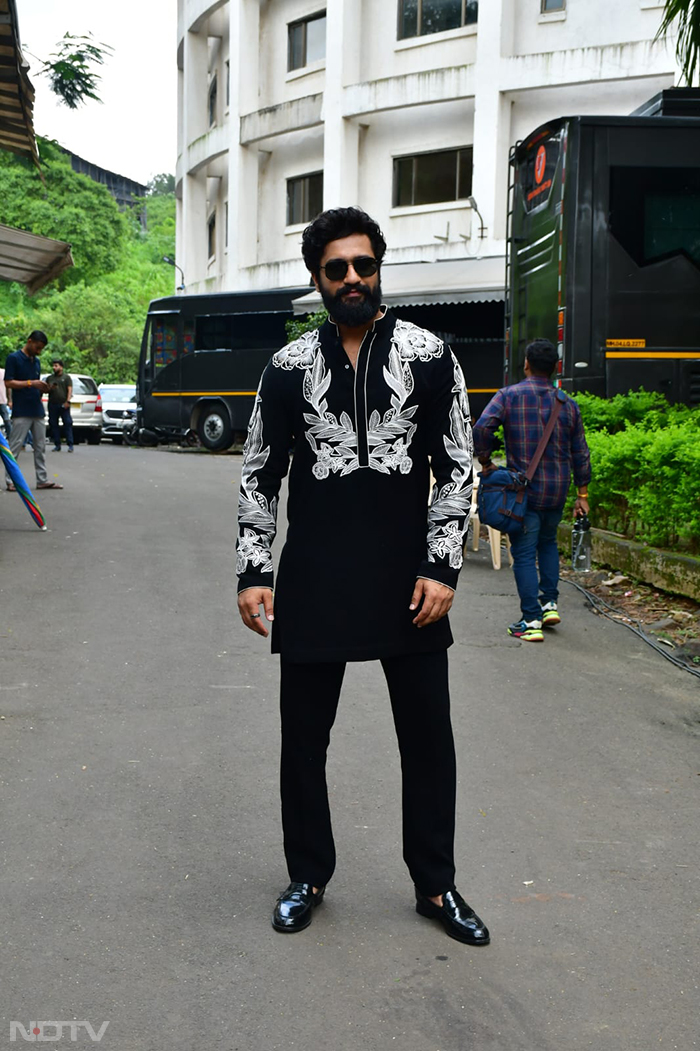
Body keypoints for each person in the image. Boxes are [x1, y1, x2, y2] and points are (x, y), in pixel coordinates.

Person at [236, 207, 490, 946]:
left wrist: (442, 565)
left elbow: (455, 464)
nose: (353, 278)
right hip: (314, 578)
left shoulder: (430, 353)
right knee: (303, 739)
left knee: (428, 740)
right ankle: (308, 874)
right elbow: (260, 471)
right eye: (337, 268)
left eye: (364, 265)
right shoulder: (286, 368)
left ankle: (436, 886)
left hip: (409, 584)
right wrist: (255, 568)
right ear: (317, 278)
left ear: (380, 266)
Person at [472, 338, 591, 642]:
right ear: (556, 368)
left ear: (526, 364)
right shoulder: (567, 404)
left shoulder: (508, 397)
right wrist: (582, 495)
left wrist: (485, 461)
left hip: (522, 493)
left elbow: (483, 428)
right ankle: (549, 604)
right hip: (557, 490)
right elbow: (581, 452)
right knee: (548, 543)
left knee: (524, 553)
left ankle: (531, 620)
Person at [3, 331, 63, 491]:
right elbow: (8, 382)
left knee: (40, 446)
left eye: (41, 349)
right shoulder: (14, 358)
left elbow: (36, 385)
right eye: (37, 347)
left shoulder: (36, 362)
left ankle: (42, 479)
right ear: (30, 341)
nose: (39, 351)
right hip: (21, 410)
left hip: (37, 409)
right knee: (15, 446)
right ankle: (10, 480)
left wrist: (44, 388)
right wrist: (31, 383)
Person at [46, 359, 74, 452]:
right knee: (54, 424)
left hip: (63, 404)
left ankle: (70, 444)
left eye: (56, 366)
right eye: (53, 366)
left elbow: (69, 390)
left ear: (61, 367)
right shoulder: (50, 378)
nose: (54, 368)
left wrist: (68, 401)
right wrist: (50, 388)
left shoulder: (66, 378)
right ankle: (57, 444)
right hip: (53, 404)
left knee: (67, 423)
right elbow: (45, 389)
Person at [0, 365, 11, 439]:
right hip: (3, 400)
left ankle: (11, 437)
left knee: (7, 420)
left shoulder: (3, 372)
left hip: (2, 400)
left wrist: (9, 399)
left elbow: (8, 386)